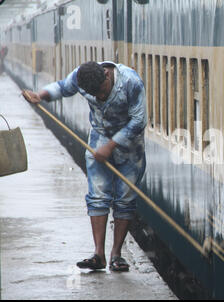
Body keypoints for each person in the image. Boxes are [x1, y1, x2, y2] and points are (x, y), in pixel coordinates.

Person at [23, 61, 147, 272]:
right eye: (93, 94)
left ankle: (116, 254)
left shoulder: (131, 82)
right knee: (97, 196)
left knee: (125, 200)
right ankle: (98, 254)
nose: (99, 97)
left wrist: (111, 145)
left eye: (101, 91)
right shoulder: (81, 77)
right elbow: (62, 87)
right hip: (98, 139)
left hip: (129, 146)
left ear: (107, 75)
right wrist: (41, 95)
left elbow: (138, 121)